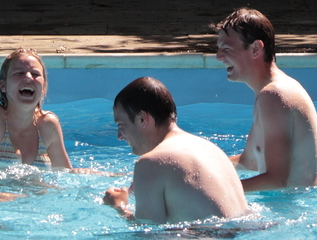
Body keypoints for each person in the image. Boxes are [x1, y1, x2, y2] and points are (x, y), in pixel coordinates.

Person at [103, 77, 249, 223]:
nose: (119, 136)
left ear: (142, 119)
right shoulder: (211, 149)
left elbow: (147, 237)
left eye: (121, 125)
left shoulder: (151, 163)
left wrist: (119, 206)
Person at [214, 8, 317, 190]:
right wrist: (197, 168)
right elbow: (249, 162)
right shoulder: (267, 94)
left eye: (226, 49)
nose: (218, 57)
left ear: (256, 48)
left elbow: (277, 180)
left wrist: (217, 191)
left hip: (295, 210)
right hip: (294, 206)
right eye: (218, 49)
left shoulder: (275, 95)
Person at [0, 49, 74, 175]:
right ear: (3, 86)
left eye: (35, 74)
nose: (28, 78)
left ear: (43, 88)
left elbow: (65, 173)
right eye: (19, 73)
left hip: (38, 193)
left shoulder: (48, 124)